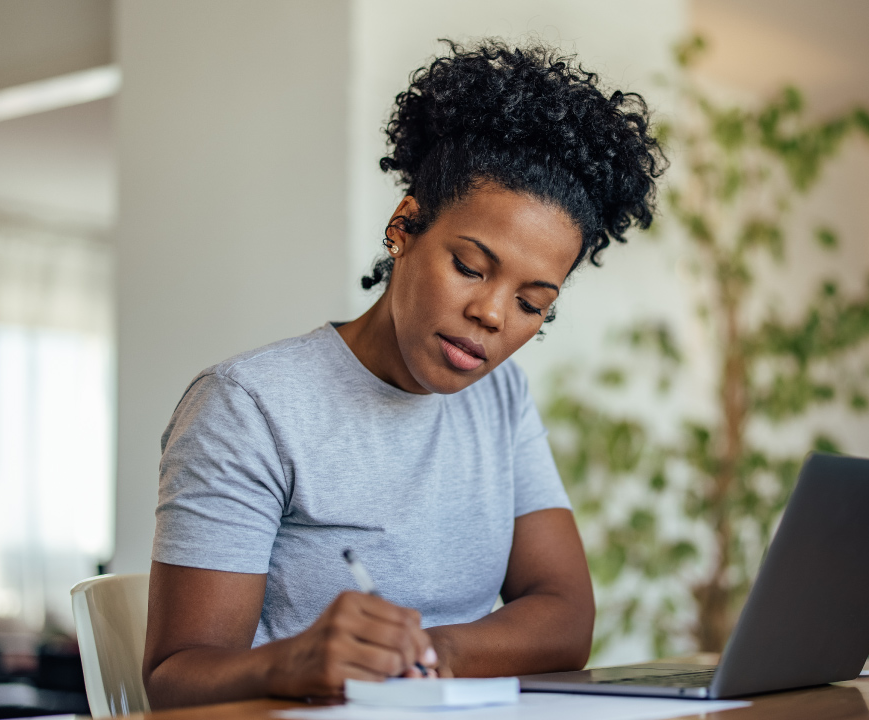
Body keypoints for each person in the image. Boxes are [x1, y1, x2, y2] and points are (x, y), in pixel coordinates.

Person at [140, 39, 665, 708]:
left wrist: (428, 655)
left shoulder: (499, 397)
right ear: (405, 228)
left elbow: (565, 616)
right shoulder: (249, 407)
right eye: (471, 267)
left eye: (533, 303)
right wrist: (290, 663)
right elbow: (172, 681)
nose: (493, 314)